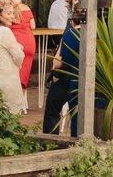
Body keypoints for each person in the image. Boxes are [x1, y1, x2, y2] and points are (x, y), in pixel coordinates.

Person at [42, 7, 81, 136]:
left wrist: (56, 74)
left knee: (52, 109)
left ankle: (50, 140)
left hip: (65, 77)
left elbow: (57, 63)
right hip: (83, 79)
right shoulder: (96, 34)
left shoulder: (70, 34)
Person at [11, 0, 37, 91]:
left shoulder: (8, 10)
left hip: (16, 41)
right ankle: (21, 97)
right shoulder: (26, 7)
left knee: (13, 74)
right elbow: (33, 26)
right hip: (29, 42)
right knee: (24, 74)